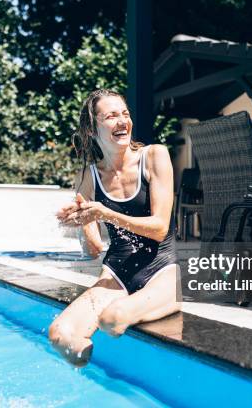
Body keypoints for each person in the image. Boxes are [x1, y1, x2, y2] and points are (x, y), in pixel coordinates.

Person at [49, 89, 180, 366]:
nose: (123, 121)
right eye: (111, 116)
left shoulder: (155, 155)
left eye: (125, 114)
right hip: (117, 273)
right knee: (60, 335)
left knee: (113, 318)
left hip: (162, 269)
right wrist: (78, 222)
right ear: (93, 129)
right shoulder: (88, 175)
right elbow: (94, 248)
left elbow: (159, 227)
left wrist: (105, 213)